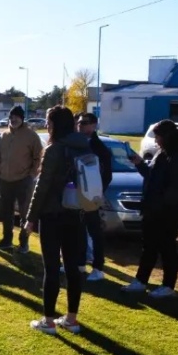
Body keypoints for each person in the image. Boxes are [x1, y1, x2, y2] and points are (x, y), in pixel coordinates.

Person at [23, 105, 88, 335]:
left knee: (51, 268)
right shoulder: (84, 145)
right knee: (73, 267)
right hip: (77, 212)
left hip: (52, 214)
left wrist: (31, 217)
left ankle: (48, 320)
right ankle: (71, 318)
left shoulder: (54, 149)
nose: (46, 126)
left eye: (49, 122)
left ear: (54, 125)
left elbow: (42, 187)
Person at [123, 119, 178, 297]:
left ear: (168, 137)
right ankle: (141, 281)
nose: (156, 141)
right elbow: (152, 176)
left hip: (169, 212)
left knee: (167, 248)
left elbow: (177, 189)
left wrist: (160, 207)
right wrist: (139, 163)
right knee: (149, 247)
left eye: (158, 137)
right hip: (153, 210)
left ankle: (168, 286)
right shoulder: (162, 153)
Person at [0, 105, 43, 252]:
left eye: (17, 116)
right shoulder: (4, 135)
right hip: (5, 180)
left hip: (23, 180)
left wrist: (31, 175)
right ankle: (6, 240)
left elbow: (38, 157)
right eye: (11, 116)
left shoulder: (31, 135)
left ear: (22, 118)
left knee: (24, 214)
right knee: (6, 212)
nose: (13, 119)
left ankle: (23, 243)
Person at [76, 112, 113, 281]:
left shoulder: (100, 149)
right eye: (79, 122)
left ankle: (98, 268)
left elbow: (107, 175)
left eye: (85, 123)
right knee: (78, 231)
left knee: (94, 232)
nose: (81, 125)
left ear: (94, 125)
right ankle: (80, 262)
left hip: (92, 197)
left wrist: (97, 192)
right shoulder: (76, 144)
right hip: (76, 195)